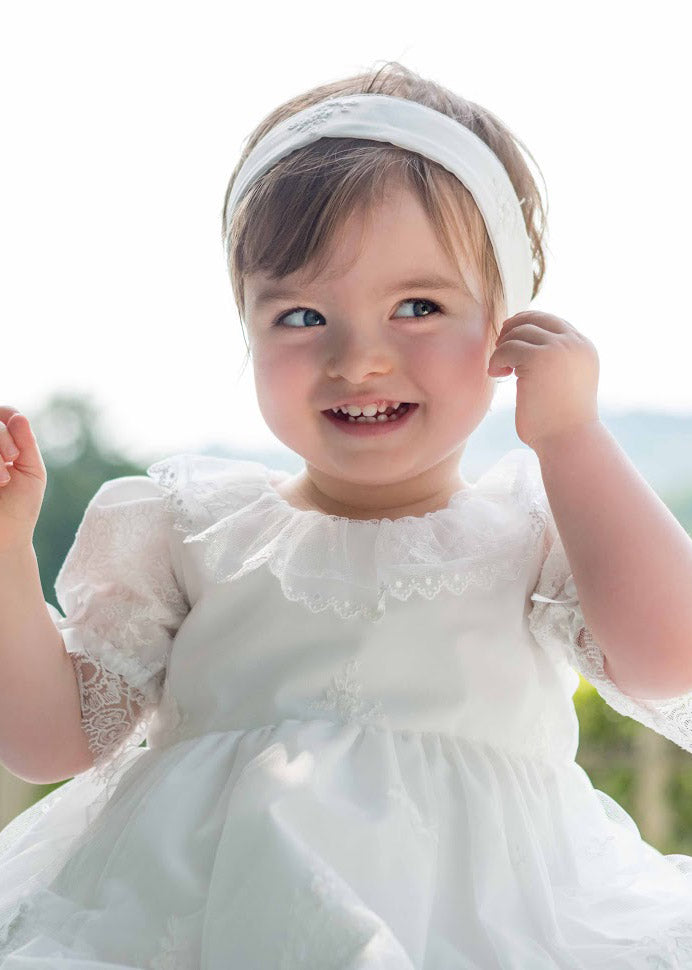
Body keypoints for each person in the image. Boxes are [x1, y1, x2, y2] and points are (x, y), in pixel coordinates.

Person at [1, 60, 692, 968]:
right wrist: (9, 549)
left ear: (505, 324)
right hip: (201, 922)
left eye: (418, 305)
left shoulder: (534, 530)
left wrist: (572, 438)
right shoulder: (189, 529)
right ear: (245, 326)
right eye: (299, 315)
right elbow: (47, 741)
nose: (359, 358)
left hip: (484, 925)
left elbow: (670, 655)